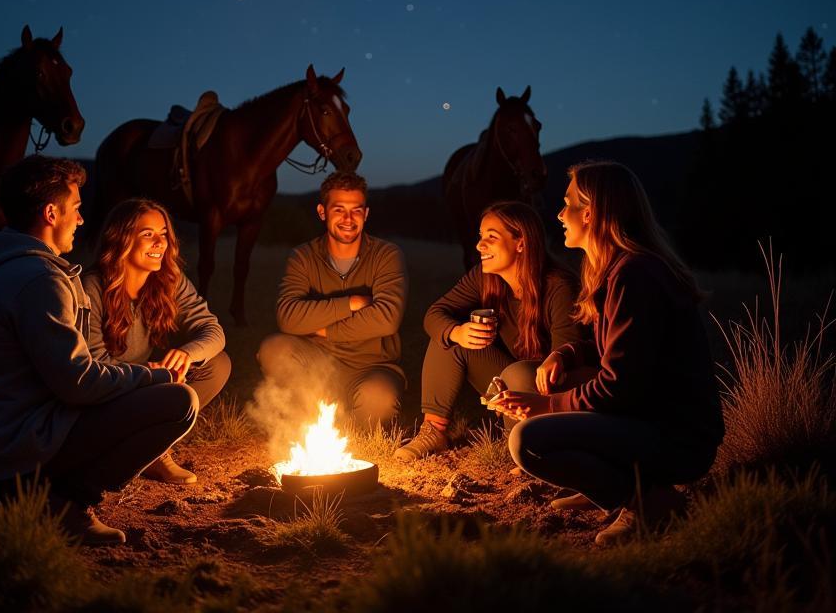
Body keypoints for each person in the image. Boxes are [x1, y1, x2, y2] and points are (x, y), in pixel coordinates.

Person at [0, 155, 199, 547]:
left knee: (142, 392)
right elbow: (79, 382)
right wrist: (154, 375)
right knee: (179, 401)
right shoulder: (38, 279)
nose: (80, 219)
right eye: (75, 209)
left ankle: (40, 492)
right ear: (50, 213)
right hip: (3, 455)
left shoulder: (0, 265)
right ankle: (63, 504)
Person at [491, 161, 724, 544]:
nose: (559, 213)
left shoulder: (635, 275)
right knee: (558, 395)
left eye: (567, 204)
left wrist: (546, 406)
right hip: (656, 422)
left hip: (678, 439)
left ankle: (645, 502)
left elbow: (618, 386)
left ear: (592, 212)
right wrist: (566, 354)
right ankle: (607, 483)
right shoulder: (619, 269)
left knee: (527, 440)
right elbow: (618, 348)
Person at [394, 200, 585, 461]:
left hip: (551, 390)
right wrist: (458, 332)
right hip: (509, 378)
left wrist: (530, 392)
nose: (479, 245)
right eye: (480, 236)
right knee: (448, 337)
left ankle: (529, 445)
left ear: (521, 243)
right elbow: (434, 314)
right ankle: (434, 431)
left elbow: (567, 358)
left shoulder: (558, 286)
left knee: (517, 373)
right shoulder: (483, 278)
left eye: (491, 238)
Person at [83, 198, 231, 485]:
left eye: (163, 234)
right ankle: (125, 450)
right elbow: (93, 365)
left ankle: (154, 450)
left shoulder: (168, 280)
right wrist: (151, 377)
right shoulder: (93, 286)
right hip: (107, 391)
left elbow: (213, 330)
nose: (159, 243)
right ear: (121, 238)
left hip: (146, 382)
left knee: (217, 363)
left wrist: (188, 353)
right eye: (147, 234)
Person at [257, 171, 407, 425]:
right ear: (322, 212)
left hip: (372, 366)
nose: (348, 219)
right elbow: (288, 317)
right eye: (339, 210)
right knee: (274, 349)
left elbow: (387, 319)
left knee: (378, 401)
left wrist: (325, 329)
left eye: (356, 210)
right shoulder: (303, 257)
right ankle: (314, 415)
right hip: (318, 362)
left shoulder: (386, 255)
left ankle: (348, 420)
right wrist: (352, 303)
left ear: (366, 214)